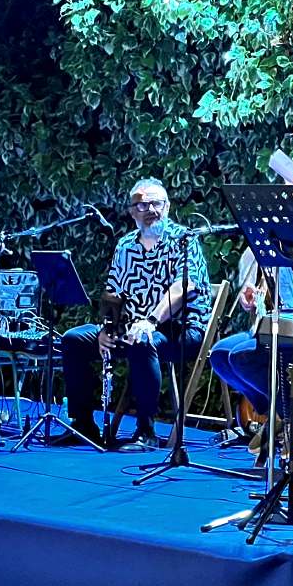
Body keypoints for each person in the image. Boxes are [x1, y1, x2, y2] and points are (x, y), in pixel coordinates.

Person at [60, 178, 212, 449]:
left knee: (144, 341)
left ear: (167, 207)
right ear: (132, 212)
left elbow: (182, 287)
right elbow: (113, 293)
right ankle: (83, 424)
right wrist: (107, 328)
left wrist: (151, 321)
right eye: (142, 205)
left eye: (157, 203)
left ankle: (146, 431)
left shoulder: (184, 241)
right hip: (131, 327)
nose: (151, 209)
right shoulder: (125, 245)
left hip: (180, 329)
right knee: (74, 339)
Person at [209, 247, 293, 453]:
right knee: (220, 355)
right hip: (280, 328)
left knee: (242, 357)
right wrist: (250, 296)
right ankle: (286, 412)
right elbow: (259, 289)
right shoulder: (265, 244)